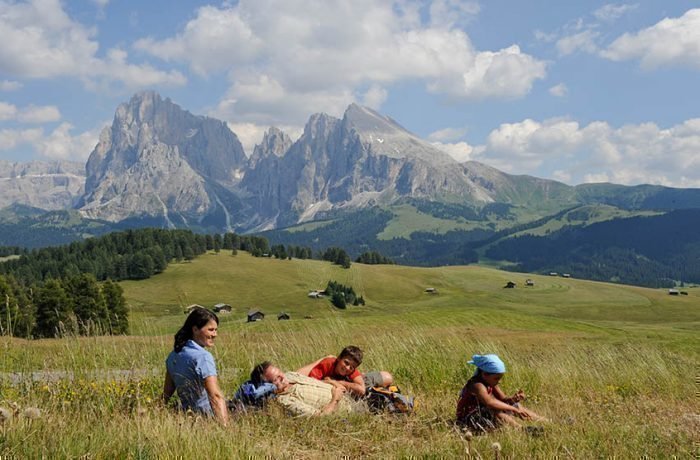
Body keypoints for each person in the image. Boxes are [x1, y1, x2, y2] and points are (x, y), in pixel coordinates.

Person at [163, 307, 228, 425]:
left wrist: (156, 411)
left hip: (187, 417)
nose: (215, 334)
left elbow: (167, 393)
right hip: (207, 417)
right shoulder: (203, 357)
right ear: (195, 329)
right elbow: (215, 395)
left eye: (216, 330)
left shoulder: (173, 355)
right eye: (211, 330)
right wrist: (225, 427)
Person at [456, 354, 547, 433]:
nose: (499, 381)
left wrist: (513, 399)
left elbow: (503, 399)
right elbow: (490, 402)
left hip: (482, 414)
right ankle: (522, 430)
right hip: (468, 419)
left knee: (515, 405)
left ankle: (545, 421)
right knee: (494, 409)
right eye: (496, 378)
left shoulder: (490, 382)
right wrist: (514, 410)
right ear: (484, 374)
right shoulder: (477, 385)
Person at [254, 361, 363, 416]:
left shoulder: (291, 376)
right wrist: (336, 399)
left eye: (280, 372)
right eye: (276, 379)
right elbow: (319, 417)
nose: (282, 377)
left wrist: (332, 383)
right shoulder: (285, 401)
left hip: (350, 393)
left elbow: (315, 382)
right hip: (351, 409)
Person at [298, 345, 393, 397]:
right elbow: (310, 382)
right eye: (346, 363)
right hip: (333, 391)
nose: (348, 368)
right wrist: (331, 383)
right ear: (339, 358)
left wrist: (334, 382)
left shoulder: (352, 371)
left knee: (387, 377)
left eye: (352, 367)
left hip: (351, 385)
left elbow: (361, 389)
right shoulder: (327, 364)